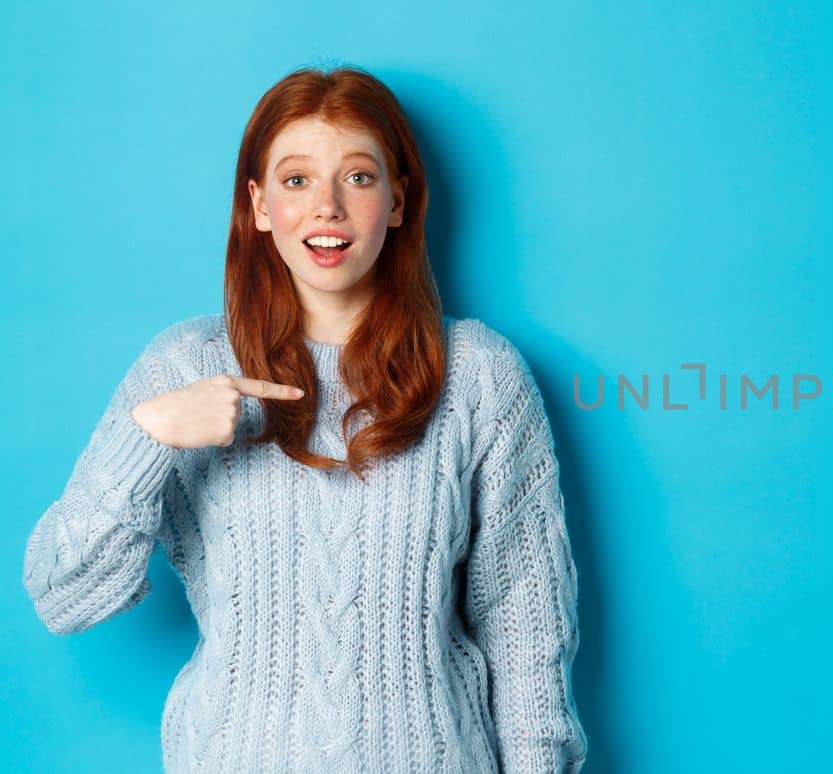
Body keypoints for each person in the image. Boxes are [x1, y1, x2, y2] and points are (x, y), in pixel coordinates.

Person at [20, 65, 588, 774]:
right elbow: (61, 596)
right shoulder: (183, 365)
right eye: (296, 181)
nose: (327, 207)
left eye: (357, 177)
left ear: (399, 200)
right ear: (257, 206)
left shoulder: (479, 376)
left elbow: (526, 628)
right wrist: (148, 438)